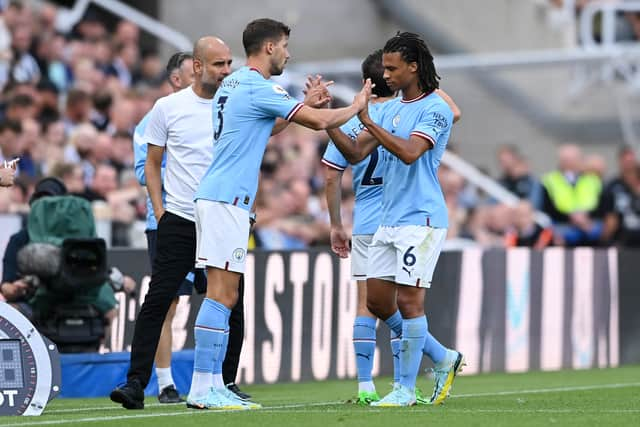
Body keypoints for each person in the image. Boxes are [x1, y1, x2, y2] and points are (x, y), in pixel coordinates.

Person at [110, 35, 330, 411]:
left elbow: (261, 130)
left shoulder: (236, 96)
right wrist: (160, 212)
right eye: (219, 64)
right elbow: (151, 163)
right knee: (161, 299)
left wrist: (301, 108)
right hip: (180, 216)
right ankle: (136, 382)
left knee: (232, 300)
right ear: (196, 67)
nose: (227, 70)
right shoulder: (168, 108)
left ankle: (224, 381)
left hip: (224, 211)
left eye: (229, 63)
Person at [188, 18, 370, 410]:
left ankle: (211, 383)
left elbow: (261, 128)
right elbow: (319, 123)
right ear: (269, 47)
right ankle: (202, 387)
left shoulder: (233, 84)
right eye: (285, 45)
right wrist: (355, 106)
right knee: (221, 295)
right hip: (224, 200)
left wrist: (305, 108)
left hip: (221, 198)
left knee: (226, 294)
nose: (288, 53)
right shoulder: (255, 85)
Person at [327, 32, 464, 407]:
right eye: (384, 67)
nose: (385, 74)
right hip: (388, 219)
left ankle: (404, 388)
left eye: (392, 67)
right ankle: (443, 357)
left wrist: (369, 122)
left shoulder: (434, 108)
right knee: (377, 300)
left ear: (413, 67)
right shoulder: (387, 109)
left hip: (420, 219)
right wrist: (328, 121)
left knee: (409, 302)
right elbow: (354, 154)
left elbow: (409, 152)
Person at [322, 49, 396, 405]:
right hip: (402, 219)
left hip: (366, 223)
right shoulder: (404, 113)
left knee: (365, 304)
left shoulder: (351, 122)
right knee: (405, 303)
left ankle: (365, 385)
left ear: (368, 82)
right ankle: (403, 384)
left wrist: (336, 223)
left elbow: (331, 175)